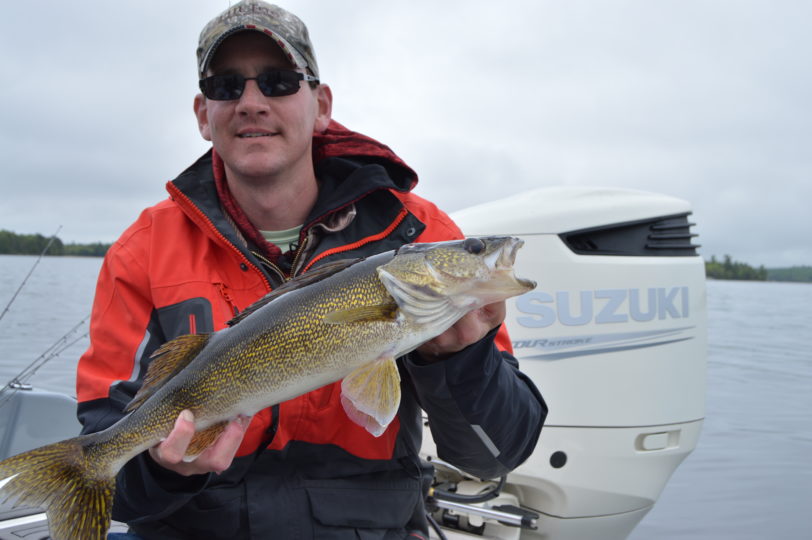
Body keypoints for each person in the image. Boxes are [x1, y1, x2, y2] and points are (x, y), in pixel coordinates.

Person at [76, 1, 547, 538]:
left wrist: (461, 359)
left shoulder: (418, 233)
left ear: (321, 105)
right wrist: (164, 470)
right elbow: (115, 483)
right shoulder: (143, 251)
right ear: (204, 115)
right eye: (227, 86)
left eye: (278, 81)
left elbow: (496, 456)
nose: (251, 103)